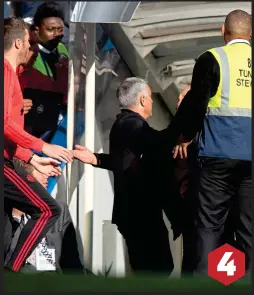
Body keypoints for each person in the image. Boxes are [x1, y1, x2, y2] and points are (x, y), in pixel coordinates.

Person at [72, 77, 185, 275]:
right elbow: (163, 141)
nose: (151, 102)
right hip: (140, 214)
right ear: (142, 100)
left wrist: (95, 159)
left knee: (153, 269)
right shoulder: (132, 125)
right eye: (150, 97)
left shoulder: (124, 124)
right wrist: (185, 114)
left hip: (135, 214)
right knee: (157, 270)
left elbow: (123, 162)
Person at [173, 10, 252, 274]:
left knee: (209, 227)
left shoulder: (213, 58)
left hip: (217, 157)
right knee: (249, 230)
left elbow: (197, 104)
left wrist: (186, 136)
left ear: (223, 30)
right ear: (250, 34)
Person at [4, 17, 73, 272]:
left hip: (11, 159)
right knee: (48, 209)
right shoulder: (4, 71)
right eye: (29, 43)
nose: (32, 49)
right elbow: (4, 126)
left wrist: (33, 160)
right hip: (5, 165)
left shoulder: (12, 73)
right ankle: (13, 271)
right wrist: (42, 148)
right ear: (19, 42)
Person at [18, 2, 69, 139]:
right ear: (36, 30)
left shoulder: (62, 49)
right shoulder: (27, 55)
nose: (57, 34)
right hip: (32, 124)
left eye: (60, 29)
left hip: (58, 118)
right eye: (51, 29)